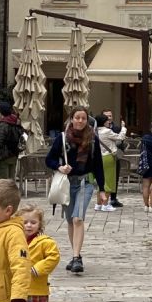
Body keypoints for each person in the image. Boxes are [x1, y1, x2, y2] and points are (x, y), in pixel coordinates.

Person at [46, 107, 104, 273]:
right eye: (77, 118)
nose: (80, 121)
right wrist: (59, 167)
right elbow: (49, 159)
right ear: (71, 119)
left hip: (85, 183)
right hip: (67, 184)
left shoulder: (93, 139)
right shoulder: (62, 138)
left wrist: (102, 189)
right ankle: (74, 255)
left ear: (87, 121)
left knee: (78, 219)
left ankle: (77, 258)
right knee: (71, 221)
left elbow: (98, 165)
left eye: (83, 118)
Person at [18, 203, 60, 302]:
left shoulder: (46, 242)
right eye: (25, 222)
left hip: (37, 288)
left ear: (40, 224)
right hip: (18, 288)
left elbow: (53, 258)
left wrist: (38, 268)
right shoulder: (15, 241)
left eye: (33, 222)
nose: (29, 225)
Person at [95, 111, 126, 210]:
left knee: (101, 181)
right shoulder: (107, 131)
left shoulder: (95, 131)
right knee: (108, 181)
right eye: (106, 120)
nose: (109, 121)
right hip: (108, 157)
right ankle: (105, 204)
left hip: (99, 157)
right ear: (103, 122)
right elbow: (120, 137)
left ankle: (98, 204)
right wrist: (124, 128)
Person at [0, 100, 26, 183]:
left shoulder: (3, 124)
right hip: (13, 155)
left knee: (1, 182)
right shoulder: (16, 122)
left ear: (0, 112)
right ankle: (10, 196)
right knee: (10, 182)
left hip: (2, 156)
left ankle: (3, 196)